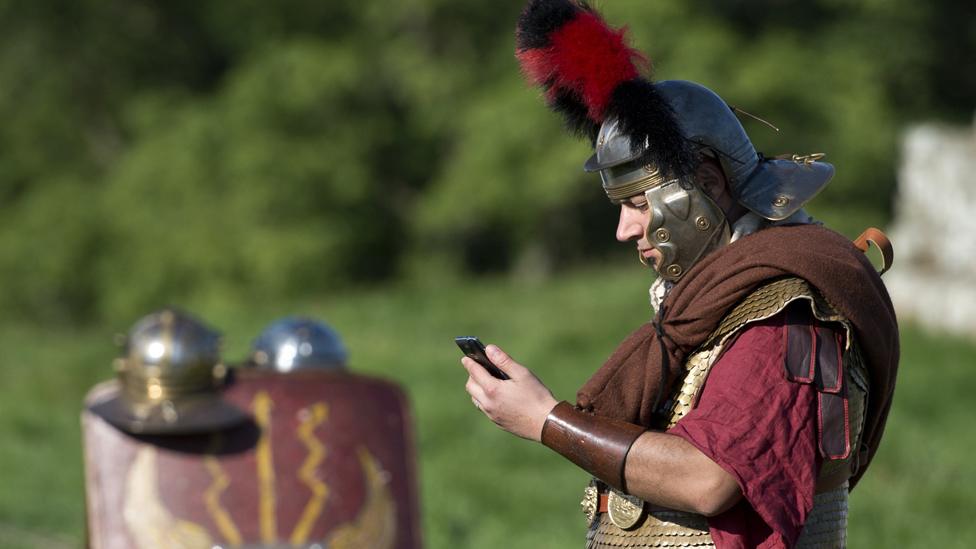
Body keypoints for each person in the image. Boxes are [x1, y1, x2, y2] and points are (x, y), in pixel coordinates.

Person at [461, 1, 899, 547]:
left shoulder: (784, 314)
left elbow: (709, 478)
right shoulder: (719, 301)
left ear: (709, 184)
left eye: (639, 204)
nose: (624, 229)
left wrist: (546, 420)